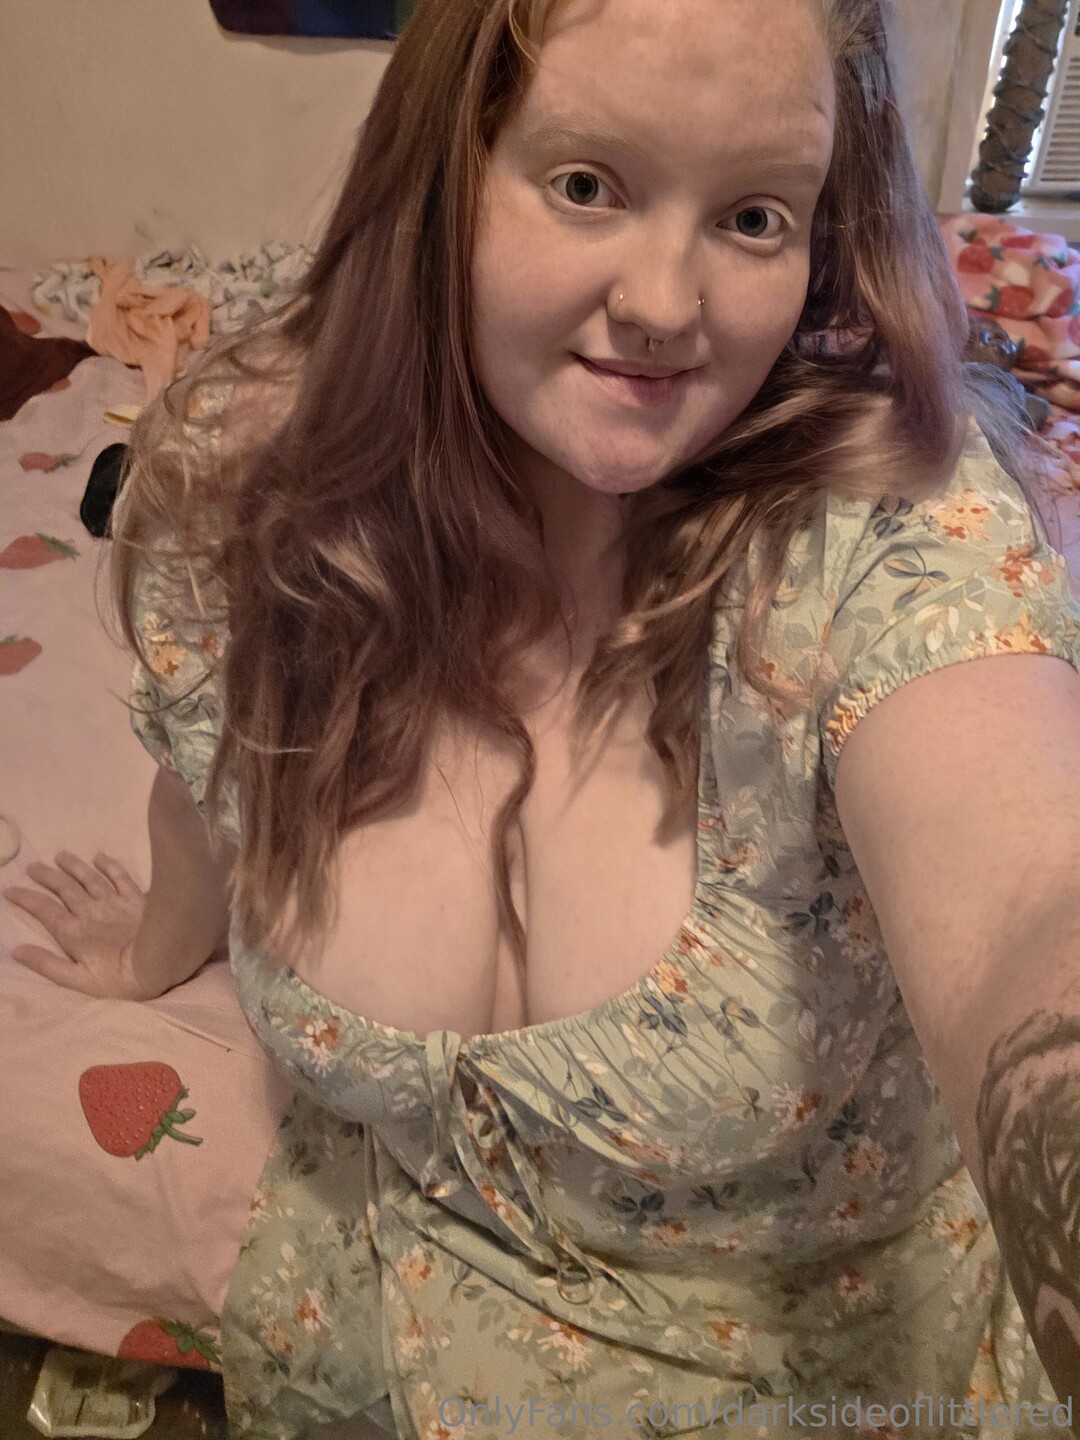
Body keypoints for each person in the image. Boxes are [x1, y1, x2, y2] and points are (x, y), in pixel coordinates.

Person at [5, 0, 1080, 1435]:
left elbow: (1027, 910)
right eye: (586, 184)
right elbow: (223, 773)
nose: (666, 305)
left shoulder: (890, 541)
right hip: (377, 1371)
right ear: (446, 173)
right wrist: (154, 951)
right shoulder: (250, 499)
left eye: (753, 217)